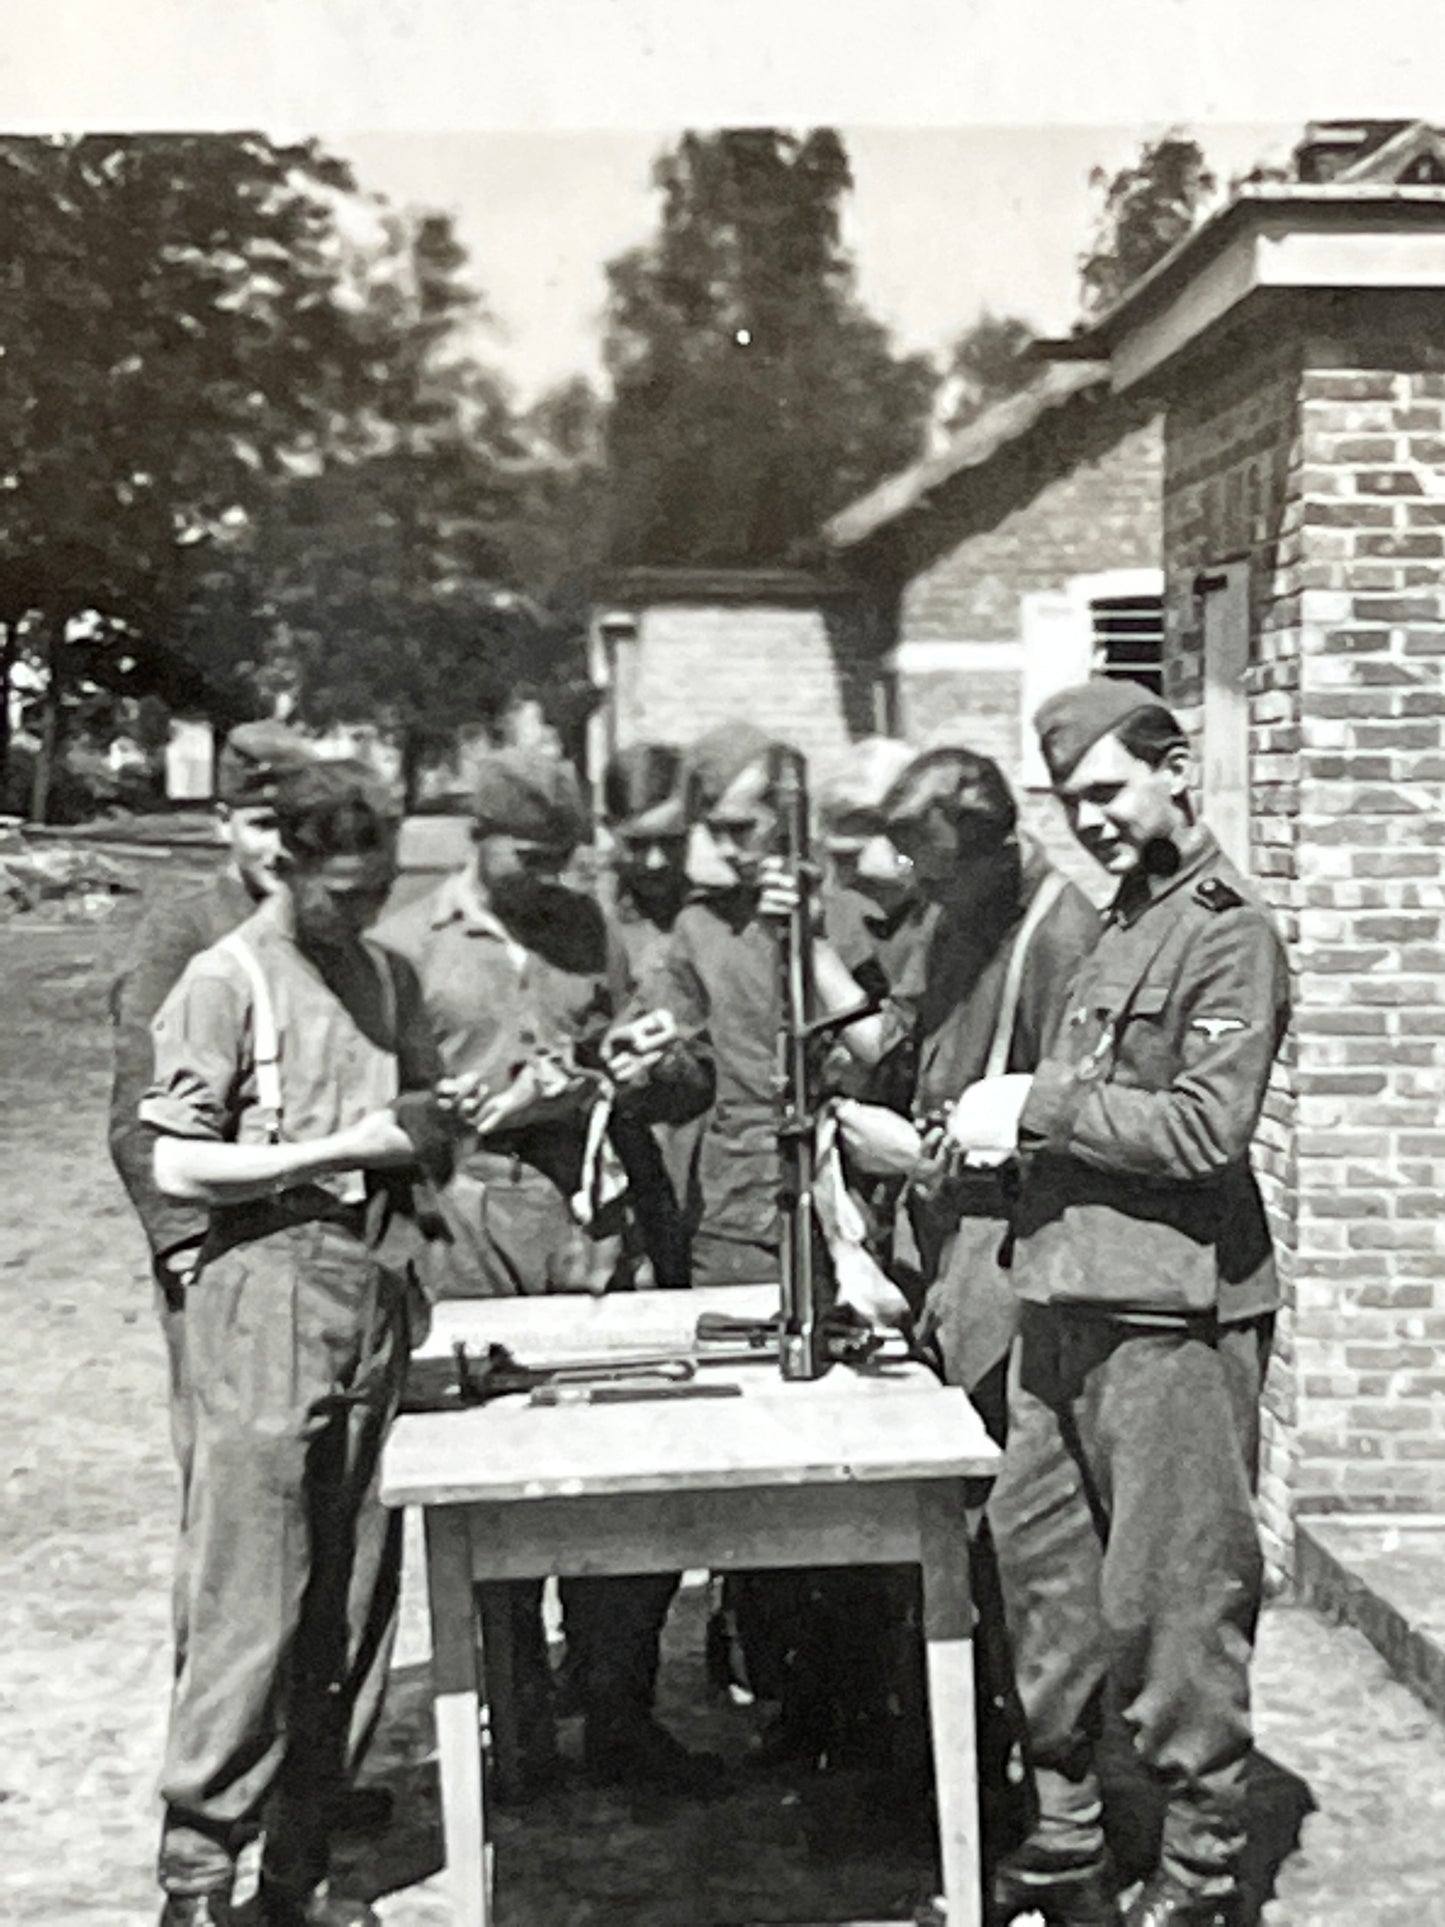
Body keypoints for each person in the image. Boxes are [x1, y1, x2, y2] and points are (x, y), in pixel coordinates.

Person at [945, 682, 1289, 1927]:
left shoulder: (1223, 929)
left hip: (1170, 1322)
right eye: (1068, 802)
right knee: (1040, 1579)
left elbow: (1206, 1127)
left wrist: (1032, 1106)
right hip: (1061, 1297)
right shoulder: (1115, 924)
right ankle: (1066, 1838)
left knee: (1172, 1602)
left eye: (1105, 793)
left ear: (1175, 768)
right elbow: (1099, 1115)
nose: (1087, 821)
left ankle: (1198, 1873)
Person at [140, 761, 458, 1927]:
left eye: (378, 888)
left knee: (356, 1596)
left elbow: (417, 1116)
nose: (360, 911)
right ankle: (196, 1875)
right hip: (263, 1284)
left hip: (371, 1289)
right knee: (251, 1602)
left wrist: (435, 1127)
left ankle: (296, 1872)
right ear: (282, 862)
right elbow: (178, 1159)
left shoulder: (386, 973)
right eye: (341, 890)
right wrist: (332, 1150)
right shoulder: (223, 981)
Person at [375, 746, 714, 1793]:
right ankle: (513, 1732)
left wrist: (640, 1061)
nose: (550, 877)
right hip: (467, 1219)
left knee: (626, 1480)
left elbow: (660, 1060)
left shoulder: (588, 928)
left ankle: (617, 1712)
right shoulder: (403, 947)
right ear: (475, 837)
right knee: (490, 1488)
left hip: (592, 1222)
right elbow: (369, 1106)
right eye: (530, 855)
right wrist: (455, 1116)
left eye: (565, 856)